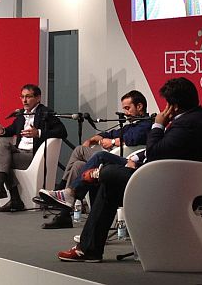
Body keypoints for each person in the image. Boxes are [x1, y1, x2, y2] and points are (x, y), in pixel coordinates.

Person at [57, 77, 202, 262]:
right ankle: (88, 248)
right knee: (110, 182)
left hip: (172, 189)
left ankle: (87, 190)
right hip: (173, 181)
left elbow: (155, 152)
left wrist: (158, 124)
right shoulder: (197, 119)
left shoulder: (187, 124)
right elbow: (165, 152)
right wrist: (137, 161)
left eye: (167, 104)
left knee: (109, 173)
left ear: (174, 106)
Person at [38, 90, 150, 227]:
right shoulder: (131, 125)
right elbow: (110, 133)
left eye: (128, 108)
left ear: (139, 106)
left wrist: (113, 142)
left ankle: (62, 188)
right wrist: (93, 139)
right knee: (78, 165)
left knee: (80, 150)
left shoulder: (147, 124)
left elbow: (133, 138)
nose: (125, 113)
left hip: (124, 164)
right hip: (115, 159)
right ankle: (64, 214)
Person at [0, 84, 68, 212]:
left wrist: (39, 133)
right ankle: (1, 187)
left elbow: (62, 132)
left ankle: (11, 196)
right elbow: (12, 129)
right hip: (19, 151)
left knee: (2, 160)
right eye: (22, 97)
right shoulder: (21, 114)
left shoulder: (45, 113)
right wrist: (2, 131)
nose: (24, 100)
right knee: (2, 145)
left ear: (38, 98)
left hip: (33, 154)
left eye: (28, 97)